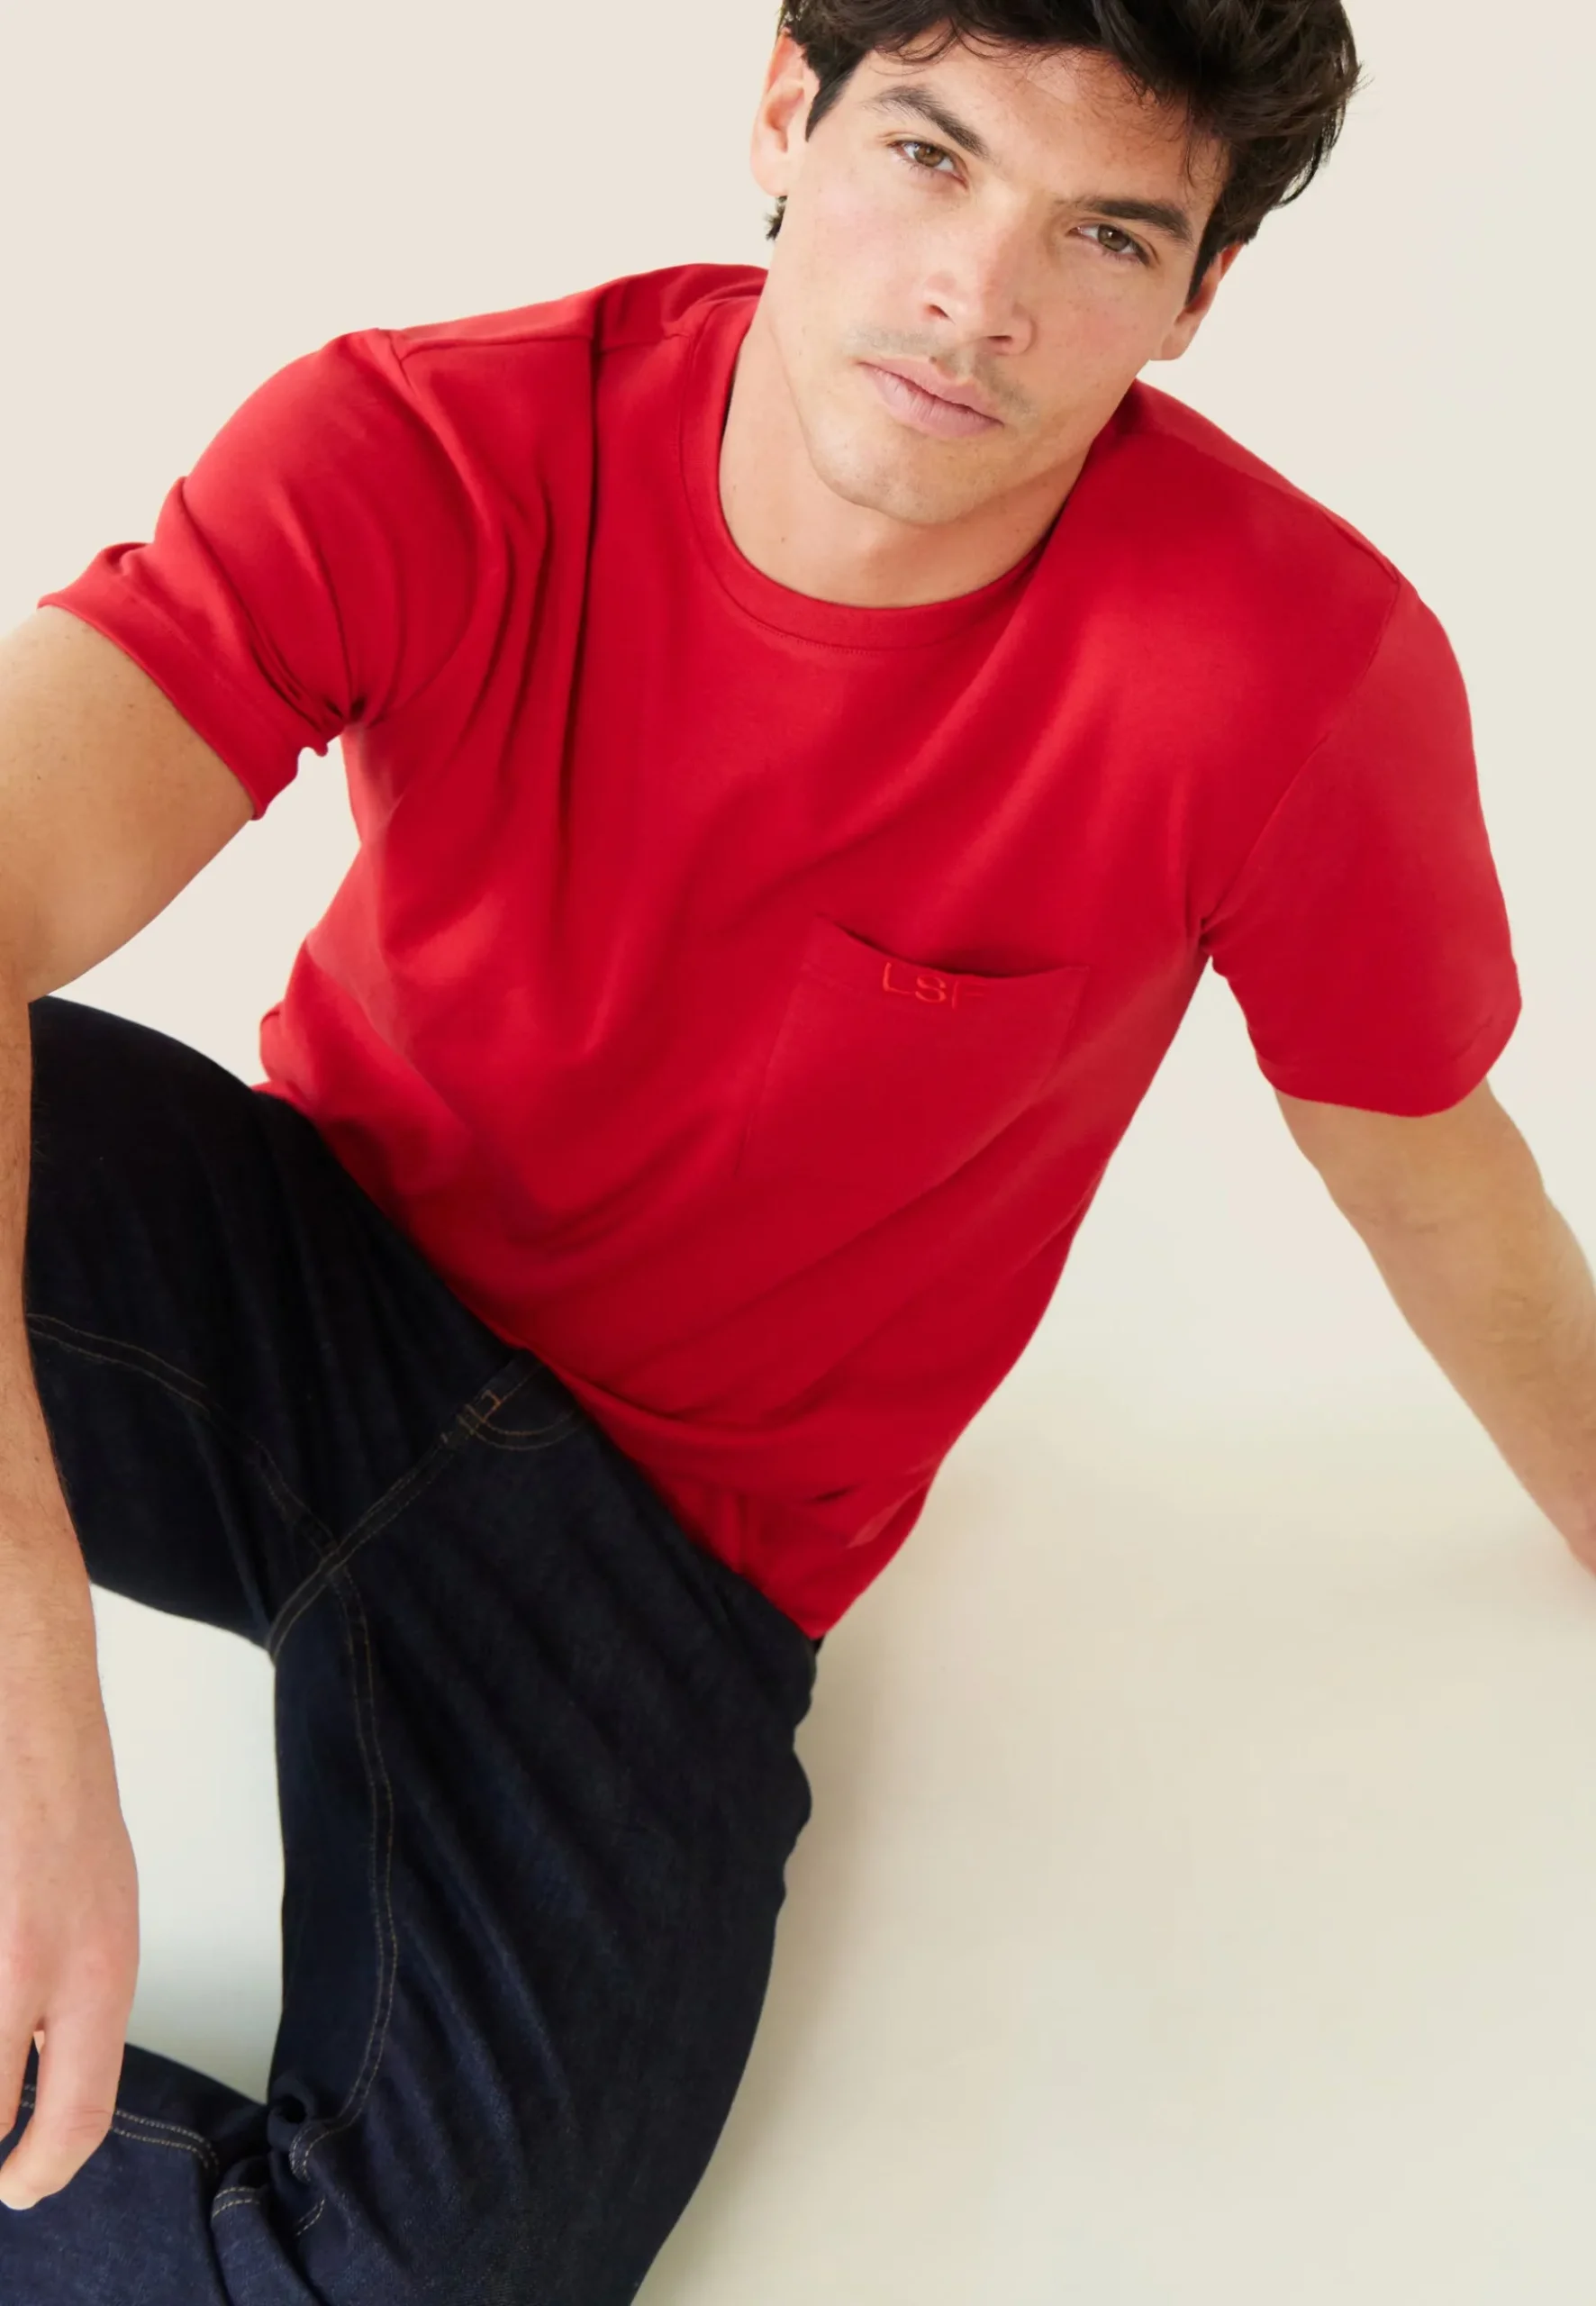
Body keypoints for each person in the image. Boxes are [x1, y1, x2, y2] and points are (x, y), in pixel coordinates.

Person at [2, 1, 1592, 2297]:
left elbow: (1430, 1167)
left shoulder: (1289, 675)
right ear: (783, 110)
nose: (979, 295)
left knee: (424, 2275)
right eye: (930, 156)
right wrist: (36, 1693)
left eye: (1105, 236)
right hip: (300, 1284)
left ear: (1197, 296)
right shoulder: (425, 448)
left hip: (668, 1548)